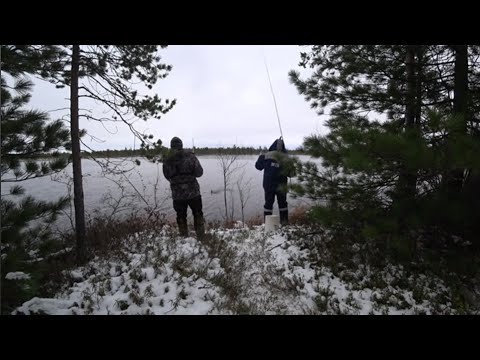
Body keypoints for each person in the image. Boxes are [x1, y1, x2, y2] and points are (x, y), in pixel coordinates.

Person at [162, 136, 205, 240]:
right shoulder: (190, 156)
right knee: (198, 214)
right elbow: (199, 173)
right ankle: (201, 237)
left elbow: (166, 175)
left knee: (181, 216)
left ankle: (184, 238)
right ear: (181, 145)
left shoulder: (167, 159)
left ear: (171, 146)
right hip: (193, 193)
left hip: (177, 195)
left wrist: (176, 181)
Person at [255, 137, 294, 225]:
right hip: (282, 186)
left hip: (268, 185)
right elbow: (292, 174)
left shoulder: (265, 155)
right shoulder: (286, 158)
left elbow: (258, 167)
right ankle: (284, 223)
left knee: (268, 204)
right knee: (283, 204)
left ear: (272, 145)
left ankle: (268, 225)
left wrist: (260, 156)